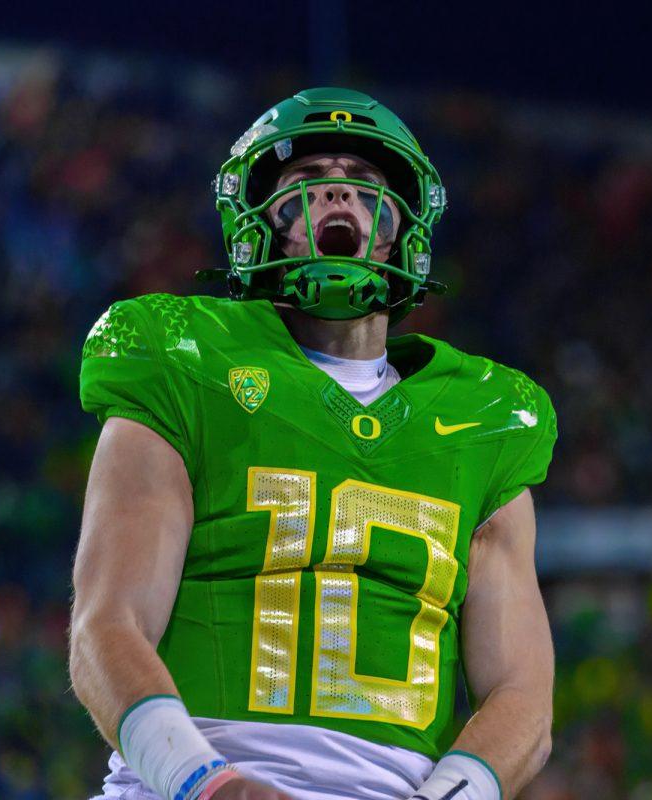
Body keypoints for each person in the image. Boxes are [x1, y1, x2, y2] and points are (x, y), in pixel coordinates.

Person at [68, 87, 559, 800]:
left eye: (364, 186)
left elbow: (523, 698)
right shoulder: (181, 359)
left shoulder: (484, 417)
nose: (337, 200)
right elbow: (105, 629)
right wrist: (210, 783)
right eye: (304, 183)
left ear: (401, 229)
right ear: (259, 223)